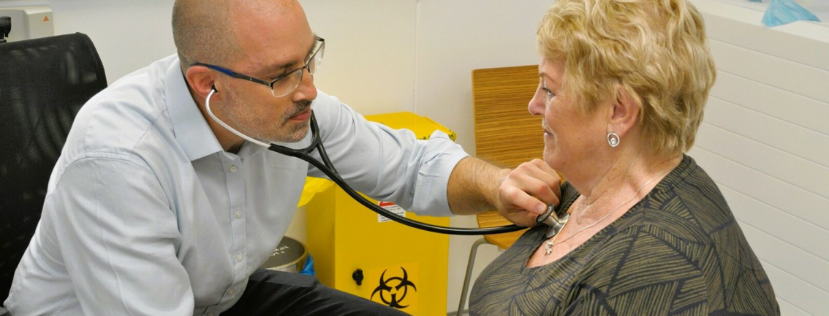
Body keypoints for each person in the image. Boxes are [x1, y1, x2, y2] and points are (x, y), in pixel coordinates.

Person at [1, 0, 563, 315]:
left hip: (217, 299)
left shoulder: (292, 111)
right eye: (280, 75)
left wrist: (498, 187)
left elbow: (412, 166)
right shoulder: (118, 161)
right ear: (206, 85)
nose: (309, 89)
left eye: (309, 59)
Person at [468, 0, 780, 315]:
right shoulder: (592, 187)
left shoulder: (654, 268)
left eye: (549, 90)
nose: (533, 105)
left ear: (619, 111)